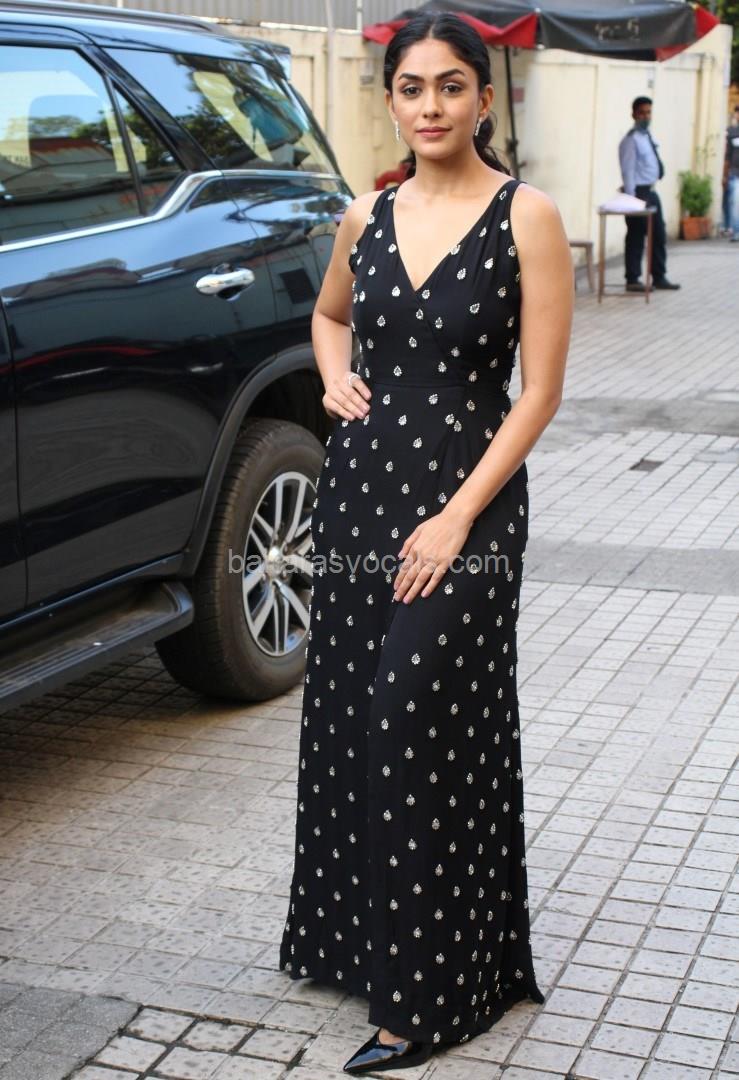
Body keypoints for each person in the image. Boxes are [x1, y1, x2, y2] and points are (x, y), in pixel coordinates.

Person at [278, 11, 573, 1073]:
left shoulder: (526, 215)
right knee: (350, 716)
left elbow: (538, 393)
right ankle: (355, 946)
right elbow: (328, 316)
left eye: (452, 86)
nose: (432, 105)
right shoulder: (367, 212)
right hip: (360, 495)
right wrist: (332, 377)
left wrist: (456, 517)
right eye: (412, 87)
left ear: (484, 99)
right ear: (391, 99)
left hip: (468, 506)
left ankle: (434, 993)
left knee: (417, 718)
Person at [618, 95, 681, 291]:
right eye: (642, 113)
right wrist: (631, 199)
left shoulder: (646, 137)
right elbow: (628, 171)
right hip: (638, 193)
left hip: (651, 192)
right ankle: (632, 279)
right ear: (633, 114)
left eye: (648, 112)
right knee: (636, 236)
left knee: (658, 235)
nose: (646, 117)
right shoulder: (631, 140)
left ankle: (659, 276)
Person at [723, 103, 739, 242]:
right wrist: (725, 174)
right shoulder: (732, 132)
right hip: (735, 172)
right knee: (734, 202)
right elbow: (727, 155)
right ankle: (735, 230)